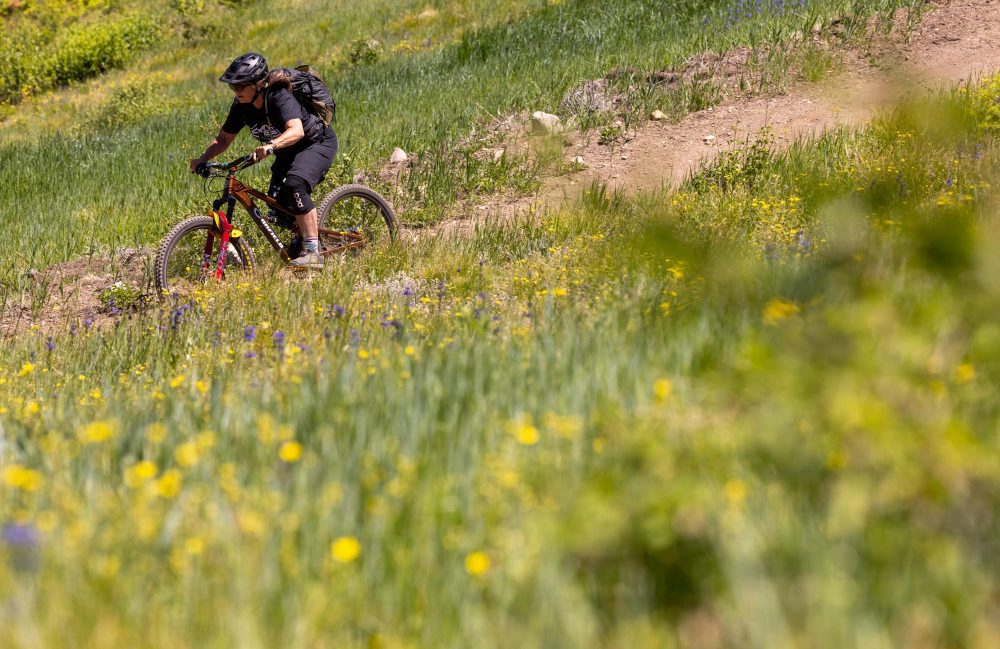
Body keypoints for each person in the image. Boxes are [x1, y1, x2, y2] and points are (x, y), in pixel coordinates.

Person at [189, 52, 337, 269]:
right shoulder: (241, 106)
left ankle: (313, 252)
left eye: (240, 86)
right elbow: (223, 139)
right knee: (277, 208)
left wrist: (271, 145)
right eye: (233, 87)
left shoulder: (278, 96)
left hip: (316, 144)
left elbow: (296, 131)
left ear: (259, 84)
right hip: (287, 153)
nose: (236, 91)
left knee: (295, 184)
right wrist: (202, 159)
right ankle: (302, 241)